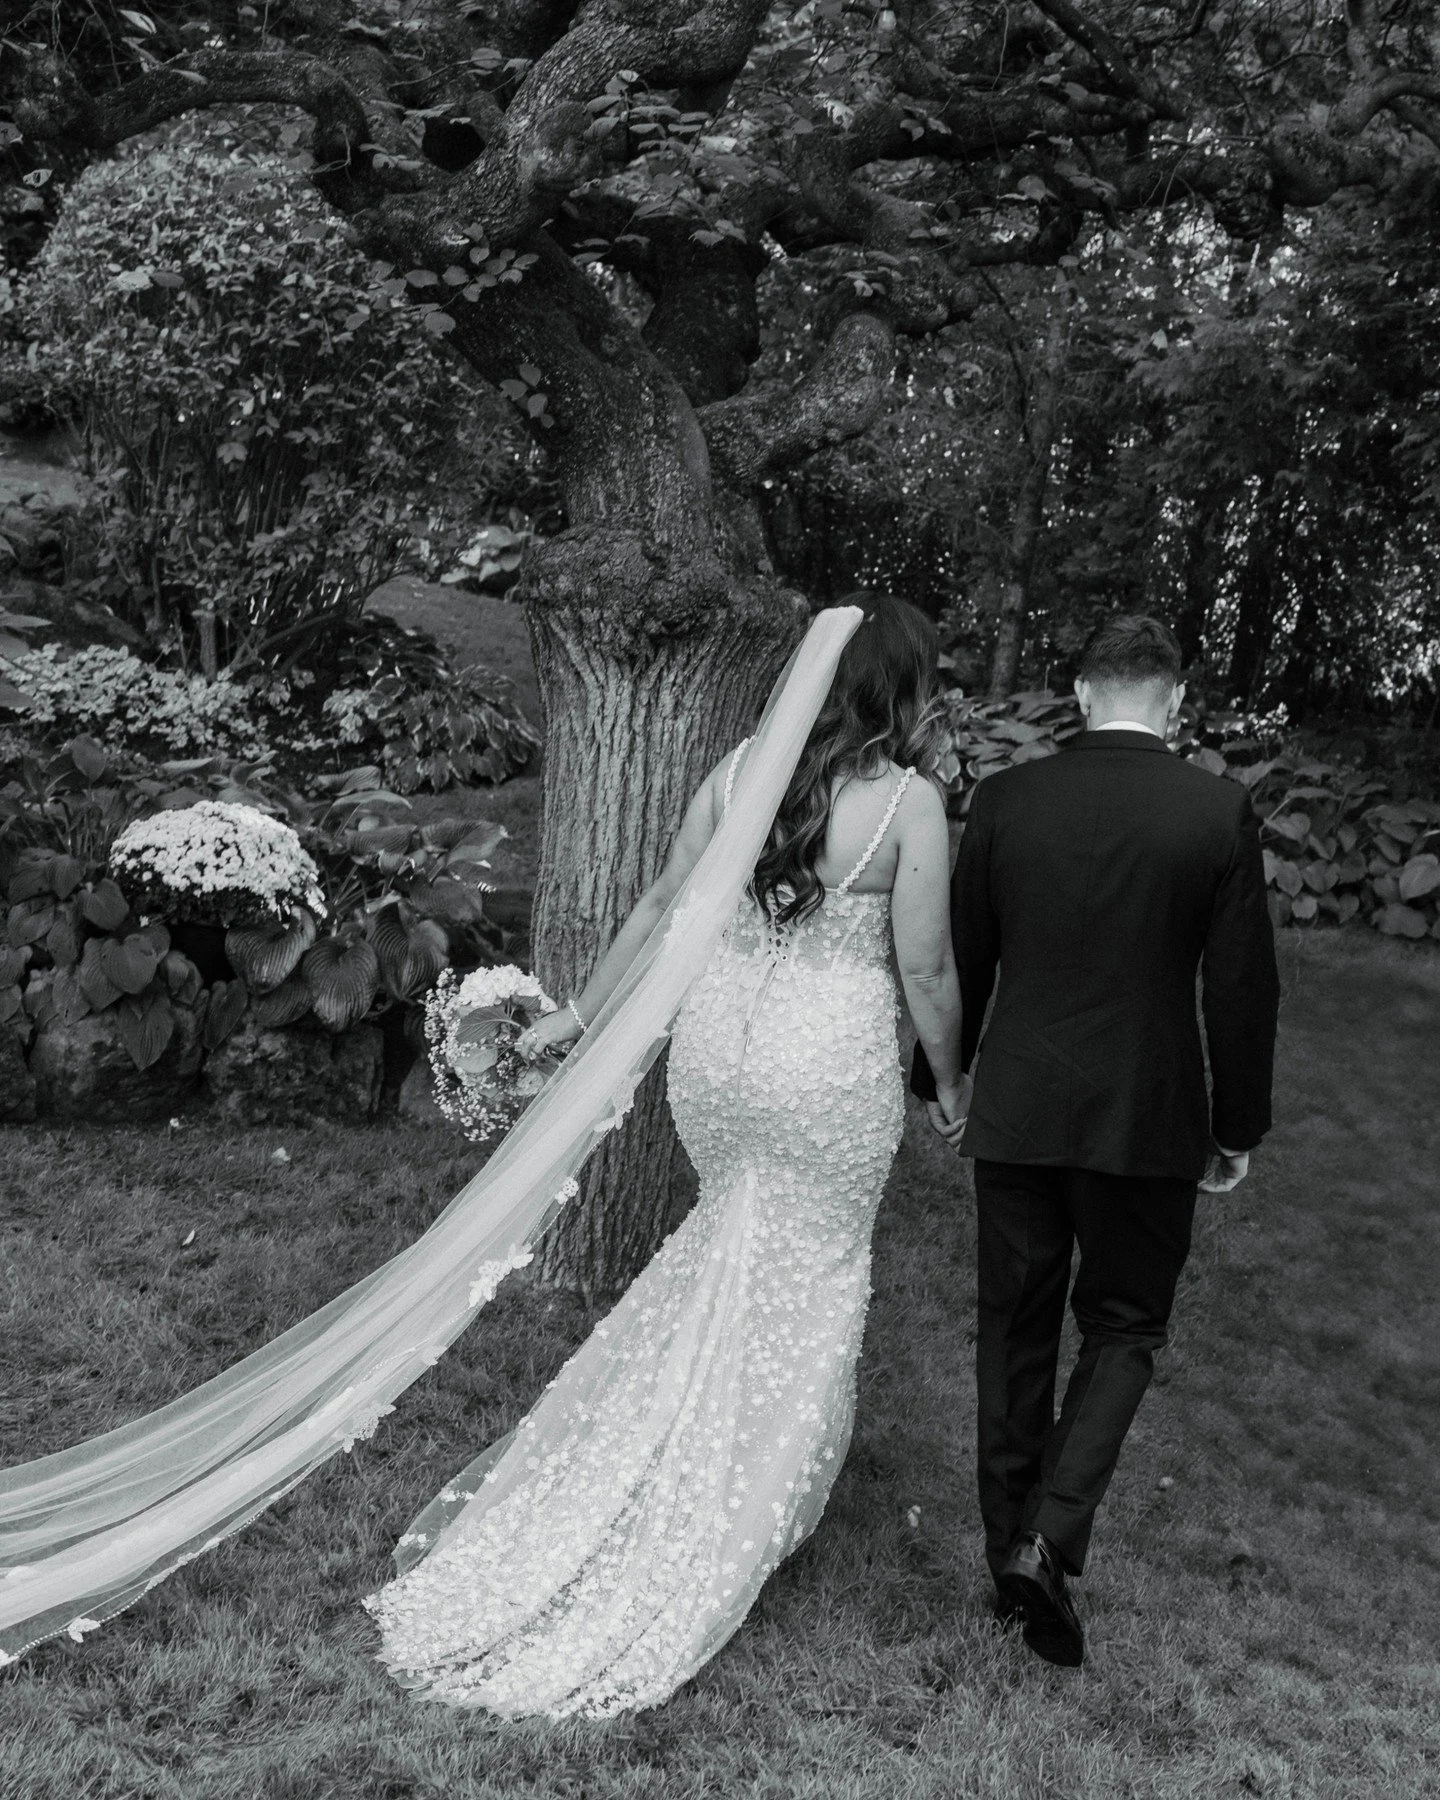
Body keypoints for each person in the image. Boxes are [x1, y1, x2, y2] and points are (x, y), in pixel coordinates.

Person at [362, 594, 968, 1716]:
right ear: (904, 689)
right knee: (810, 1275)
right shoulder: (909, 807)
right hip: (824, 1069)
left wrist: (581, 1014)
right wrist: (953, 1082)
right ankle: (741, 1504)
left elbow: (659, 904)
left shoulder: (744, 770)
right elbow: (926, 971)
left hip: (719, 1065)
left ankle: (672, 1442)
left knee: (727, 1246)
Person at [913, 613, 1280, 1670]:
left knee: (1013, 1331)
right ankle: (1046, 1544)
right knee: (1123, 1330)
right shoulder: (1215, 811)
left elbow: (965, 954)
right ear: (1172, 705)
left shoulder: (1011, 799)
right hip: (1145, 1118)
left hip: (1021, 1110)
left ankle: (1006, 1560)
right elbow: (1242, 987)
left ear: (1079, 696)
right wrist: (1235, 1124)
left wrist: (942, 1077)